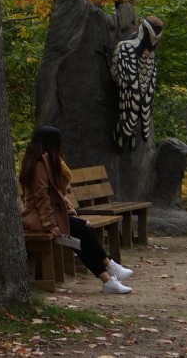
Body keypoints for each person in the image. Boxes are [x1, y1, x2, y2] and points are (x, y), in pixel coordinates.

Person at [22, 125, 133, 294]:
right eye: (58, 142)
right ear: (50, 143)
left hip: (50, 216)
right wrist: (52, 225)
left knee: (81, 235)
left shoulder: (45, 161)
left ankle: (108, 278)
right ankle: (108, 268)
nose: (61, 146)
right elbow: (42, 199)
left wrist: (70, 213)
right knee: (83, 230)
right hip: (39, 218)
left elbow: (57, 195)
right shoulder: (39, 164)